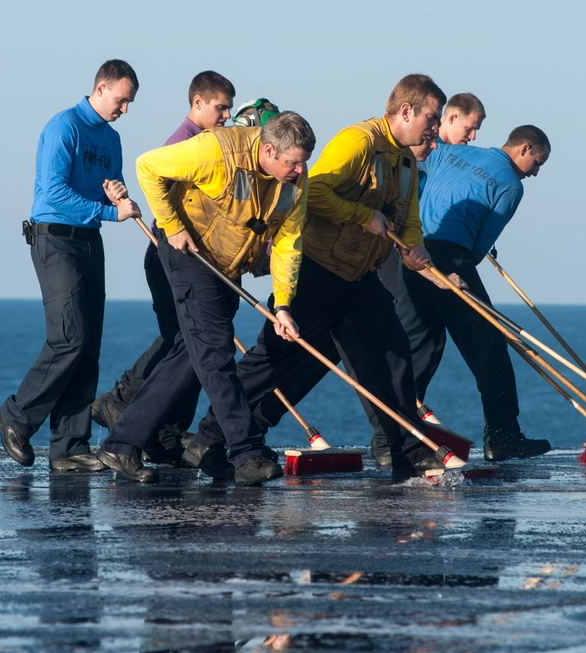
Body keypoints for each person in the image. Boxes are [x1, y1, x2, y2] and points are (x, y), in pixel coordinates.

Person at [187, 74, 452, 482]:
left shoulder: (405, 161)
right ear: (406, 111)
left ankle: (408, 450)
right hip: (318, 271)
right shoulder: (358, 141)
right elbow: (317, 191)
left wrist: (414, 249)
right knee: (272, 362)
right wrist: (363, 216)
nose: (435, 126)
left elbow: (409, 219)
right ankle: (208, 438)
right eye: (431, 118)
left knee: (394, 353)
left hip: (359, 278)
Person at [94, 111, 316, 484]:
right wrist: (173, 225)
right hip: (188, 253)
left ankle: (122, 443)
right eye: (292, 162)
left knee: (189, 355)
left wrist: (283, 304)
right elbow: (147, 166)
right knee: (214, 352)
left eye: (303, 162)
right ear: (267, 151)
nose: (299, 170)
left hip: (226, 268)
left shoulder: (296, 182)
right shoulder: (216, 149)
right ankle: (246, 453)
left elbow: (289, 244)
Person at [0, 59, 141, 472]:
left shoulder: (111, 139)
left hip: (90, 240)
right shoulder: (64, 126)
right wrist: (112, 213)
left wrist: (115, 193)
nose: (125, 109)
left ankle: (71, 447)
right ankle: (15, 417)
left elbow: (105, 187)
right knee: (69, 338)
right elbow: (54, 192)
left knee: (88, 345)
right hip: (54, 237)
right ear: (100, 89)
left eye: (130, 103)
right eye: (121, 100)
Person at [90, 71, 237, 466]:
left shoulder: (209, 142)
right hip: (168, 253)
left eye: (229, 108)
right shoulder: (184, 145)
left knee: (187, 343)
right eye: (221, 107)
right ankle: (123, 405)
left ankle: (161, 430)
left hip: (188, 257)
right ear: (198, 103)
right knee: (186, 343)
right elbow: (159, 194)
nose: (226, 115)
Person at [396, 124, 553, 462]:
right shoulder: (511, 185)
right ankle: (503, 436)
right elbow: (480, 244)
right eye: (537, 162)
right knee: (490, 348)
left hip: (412, 255)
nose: (536, 173)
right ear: (524, 148)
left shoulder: (454, 151)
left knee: (418, 347)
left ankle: (392, 438)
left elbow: (415, 173)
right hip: (452, 259)